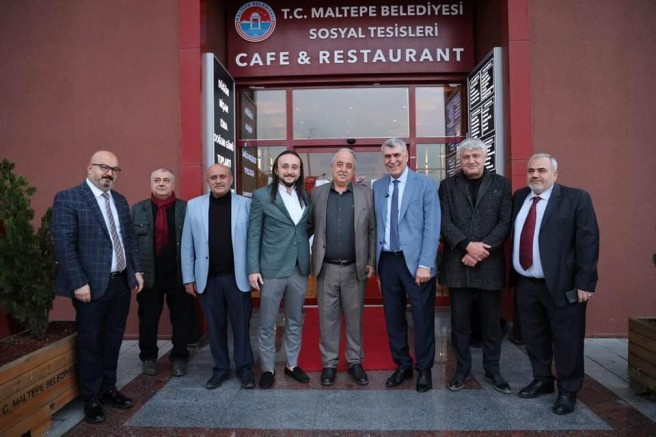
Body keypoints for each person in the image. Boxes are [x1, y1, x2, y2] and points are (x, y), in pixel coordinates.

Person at [52, 151, 144, 424]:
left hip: (120, 283)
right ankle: (91, 398)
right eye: (104, 167)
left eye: (114, 170)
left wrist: (137, 270)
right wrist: (78, 282)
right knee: (90, 342)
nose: (109, 173)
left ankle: (108, 387)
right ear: (89, 168)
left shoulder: (119, 200)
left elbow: (129, 239)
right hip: (89, 287)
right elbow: (64, 245)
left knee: (113, 339)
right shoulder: (69, 198)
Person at [512, 153, 599, 415]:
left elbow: (588, 242)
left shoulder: (576, 199)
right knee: (534, 336)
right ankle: (542, 379)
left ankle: (568, 390)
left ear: (555, 174)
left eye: (541, 170)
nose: (535, 175)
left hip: (564, 285)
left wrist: (585, 282)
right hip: (526, 283)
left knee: (567, 340)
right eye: (531, 171)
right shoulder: (520, 197)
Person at [438, 138, 512, 394]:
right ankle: (462, 369)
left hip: (489, 264)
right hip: (457, 265)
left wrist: (480, 251)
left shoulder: (501, 184)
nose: (471, 161)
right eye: (466, 157)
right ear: (460, 160)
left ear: (484, 157)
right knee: (459, 324)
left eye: (475, 156)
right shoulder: (447, 186)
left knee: (491, 324)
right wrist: (466, 246)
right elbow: (444, 221)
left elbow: (504, 223)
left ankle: (493, 370)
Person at [373, 138, 440, 393]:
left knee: (422, 318)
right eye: (387, 156)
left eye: (396, 155)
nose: (392, 160)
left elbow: (432, 226)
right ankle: (403, 364)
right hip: (387, 261)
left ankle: (424, 368)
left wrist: (426, 264)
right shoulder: (378, 186)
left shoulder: (424, 184)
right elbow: (375, 226)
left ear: (406, 155)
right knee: (393, 318)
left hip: (416, 262)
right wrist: (375, 264)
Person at [181, 164, 255, 390]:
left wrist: (255, 271)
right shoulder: (194, 206)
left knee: (241, 326)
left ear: (231, 179)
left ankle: (245, 368)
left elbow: (254, 242)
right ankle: (221, 368)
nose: (218, 180)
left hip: (238, 278)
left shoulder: (246, 204)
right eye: (213, 177)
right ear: (208, 181)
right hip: (208, 279)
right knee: (215, 328)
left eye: (223, 176)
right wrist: (188, 278)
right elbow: (187, 245)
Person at [247, 150, 313, 389]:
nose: (289, 171)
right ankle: (268, 368)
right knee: (267, 322)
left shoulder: (306, 197)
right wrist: (253, 268)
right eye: (285, 166)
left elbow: (306, 228)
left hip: (298, 267)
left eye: (294, 167)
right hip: (272, 268)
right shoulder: (261, 196)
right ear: (276, 169)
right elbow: (254, 234)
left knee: (295, 319)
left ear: (299, 171)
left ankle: (292, 365)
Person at [311, 148, 376, 386]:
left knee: (354, 318)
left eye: (349, 166)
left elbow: (372, 229)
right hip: (326, 268)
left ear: (353, 170)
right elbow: (308, 226)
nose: (343, 169)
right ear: (332, 167)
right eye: (339, 164)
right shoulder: (317, 194)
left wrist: (371, 261)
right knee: (327, 319)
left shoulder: (366, 194)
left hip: (354, 269)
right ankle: (329, 364)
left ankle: (355, 362)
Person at [131, 168, 195, 377]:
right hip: (148, 277)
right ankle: (148, 358)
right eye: (157, 180)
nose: (161, 183)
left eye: (166, 180)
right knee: (148, 320)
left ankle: (179, 357)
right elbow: (130, 244)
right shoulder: (138, 210)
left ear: (173, 185)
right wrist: (135, 271)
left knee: (181, 319)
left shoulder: (186, 209)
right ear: (151, 184)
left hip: (179, 275)